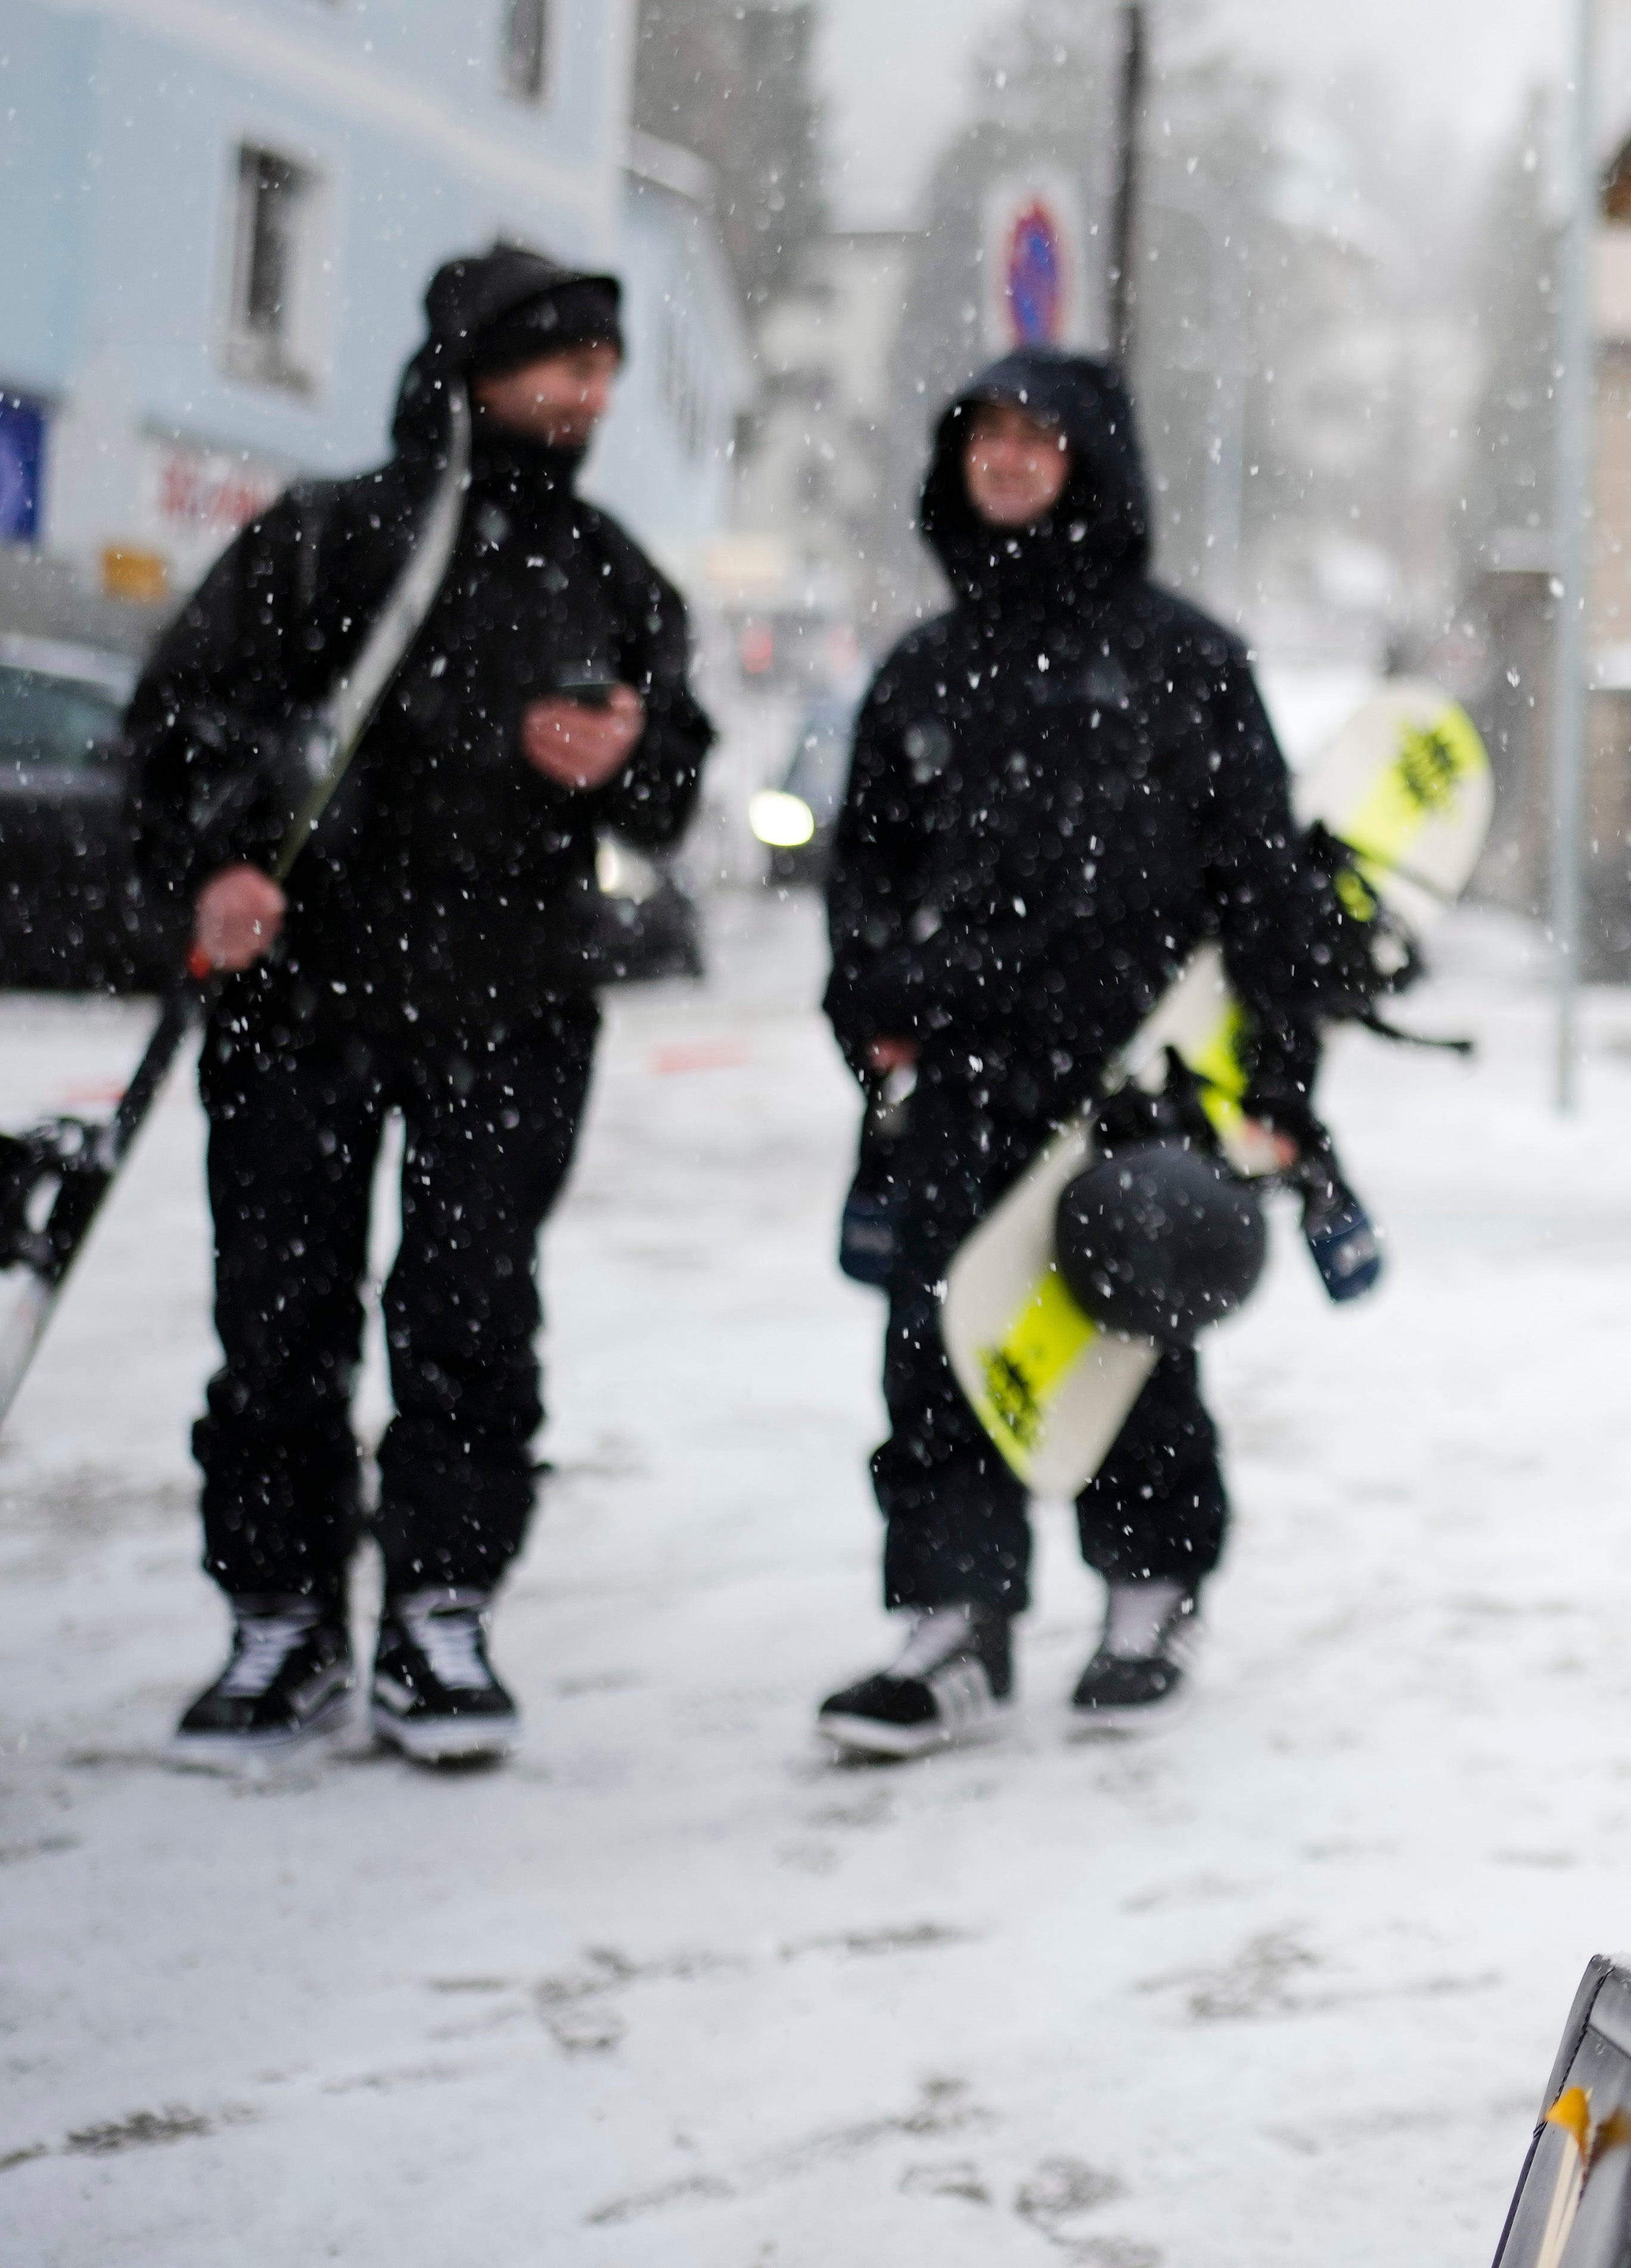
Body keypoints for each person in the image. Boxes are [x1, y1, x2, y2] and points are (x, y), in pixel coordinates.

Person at [126, 245, 712, 1767]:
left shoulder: (609, 571)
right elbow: (183, 718)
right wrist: (222, 864)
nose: (590, 392)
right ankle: (279, 1620)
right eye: (564, 360)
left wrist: (629, 765)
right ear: (478, 366)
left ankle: (443, 1611)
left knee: (470, 1318)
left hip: (509, 1007)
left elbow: (675, 782)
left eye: (605, 366)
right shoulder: (328, 537)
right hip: (300, 1004)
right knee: (279, 1316)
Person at [809, 351, 1347, 1757]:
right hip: (963, 1075)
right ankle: (952, 1623)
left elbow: (1265, 884)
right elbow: (864, 874)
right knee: (940, 1339)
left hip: (1137, 1081)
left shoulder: (1188, 660)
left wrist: (1281, 1077)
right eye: (983, 433)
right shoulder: (923, 668)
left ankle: (1150, 1594)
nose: (1005, 457)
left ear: (1090, 463)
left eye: (1035, 436)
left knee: (1132, 1341)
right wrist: (871, 1004)